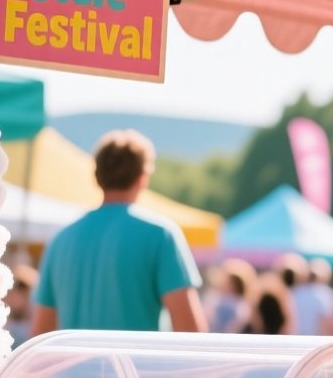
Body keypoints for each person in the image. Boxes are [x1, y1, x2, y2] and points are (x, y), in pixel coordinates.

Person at [32, 130, 206, 335]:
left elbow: (40, 333)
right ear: (143, 178)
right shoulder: (160, 235)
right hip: (137, 357)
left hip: (76, 358)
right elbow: (190, 330)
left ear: (97, 177)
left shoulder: (60, 241)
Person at [208, 260, 258, 334]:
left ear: (233, 285)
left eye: (226, 282)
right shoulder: (244, 306)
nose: (221, 283)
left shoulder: (226, 304)